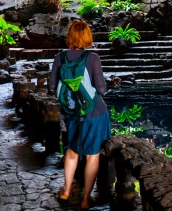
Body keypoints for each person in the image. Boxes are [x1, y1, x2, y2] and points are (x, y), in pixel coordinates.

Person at [49, 20, 111, 210]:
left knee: (72, 151)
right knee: (93, 155)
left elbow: (52, 88)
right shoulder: (92, 58)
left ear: (70, 36)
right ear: (87, 36)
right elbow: (101, 88)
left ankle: (66, 191)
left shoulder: (60, 58)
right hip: (94, 112)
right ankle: (85, 199)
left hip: (72, 112)